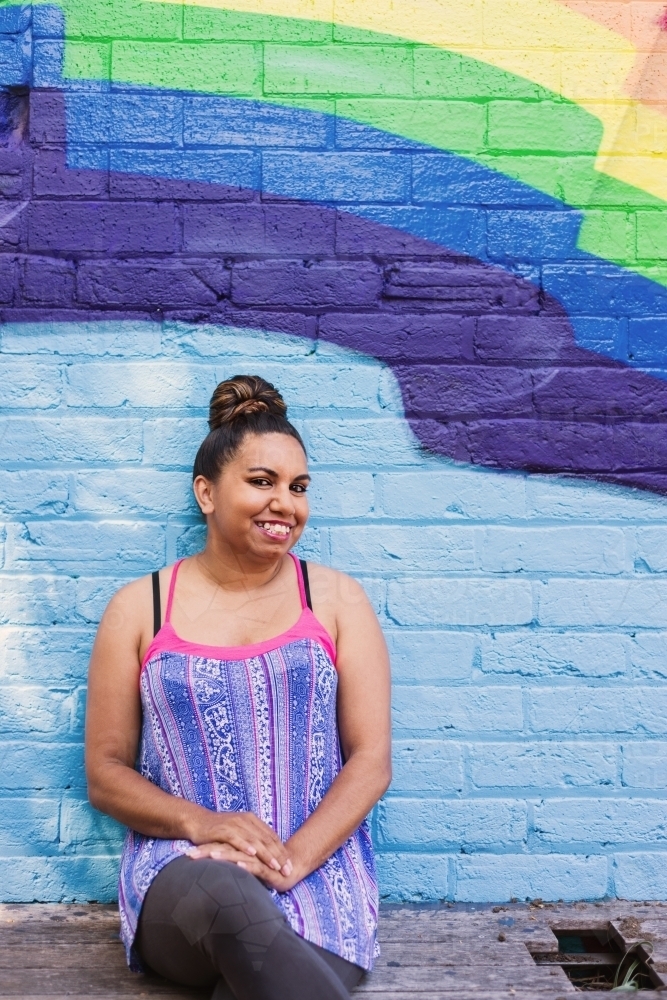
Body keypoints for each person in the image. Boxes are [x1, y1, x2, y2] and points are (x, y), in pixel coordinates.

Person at [85, 375, 392, 1000]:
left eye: (298, 487)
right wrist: (201, 824)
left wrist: (289, 862)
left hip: (318, 879)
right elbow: (105, 772)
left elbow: (372, 761)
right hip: (186, 877)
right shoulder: (140, 608)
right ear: (206, 491)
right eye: (262, 482)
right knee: (227, 898)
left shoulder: (336, 601)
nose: (286, 503)